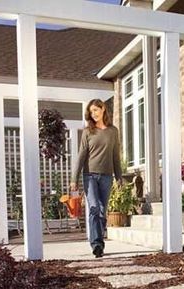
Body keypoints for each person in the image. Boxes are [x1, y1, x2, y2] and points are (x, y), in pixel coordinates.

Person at [70, 98, 122, 258]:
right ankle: (97, 244)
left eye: (96, 110)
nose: (93, 114)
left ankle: (98, 241)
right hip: (90, 176)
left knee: (102, 212)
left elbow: (115, 156)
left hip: (107, 177)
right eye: (91, 111)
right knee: (94, 208)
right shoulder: (88, 132)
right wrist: (74, 179)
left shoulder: (113, 131)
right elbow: (81, 156)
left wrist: (119, 177)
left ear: (103, 109)